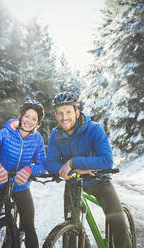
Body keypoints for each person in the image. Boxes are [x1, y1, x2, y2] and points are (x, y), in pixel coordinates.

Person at [46, 92, 132, 248]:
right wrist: (74, 171)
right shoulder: (55, 134)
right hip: (74, 182)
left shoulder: (94, 129)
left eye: (68, 112)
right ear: (55, 116)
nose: (64, 117)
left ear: (77, 113)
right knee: (72, 229)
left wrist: (73, 162)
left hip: (100, 181)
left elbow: (107, 161)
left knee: (118, 225)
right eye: (60, 113)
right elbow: (50, 163)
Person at [0, 100, 46, 248]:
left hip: (21, 186)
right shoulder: (5, 133)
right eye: (26, 116)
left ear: (38, 123)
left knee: (29, 227)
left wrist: (29, 170)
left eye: (34, 119)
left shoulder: (37, 139)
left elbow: (43, 165)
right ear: (20, 116)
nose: (29, 121)